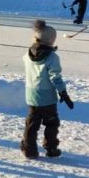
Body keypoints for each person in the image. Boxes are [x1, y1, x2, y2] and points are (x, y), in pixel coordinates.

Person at [21, 20, 75, 159]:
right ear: (52, 41)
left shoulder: (27, 54)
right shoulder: (52, 57)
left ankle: (29, 149)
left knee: (32, 124)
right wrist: (63, 93)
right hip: (47, 98)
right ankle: (51, 148)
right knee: (51, 123)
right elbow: (55, 77)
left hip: (32, 94)